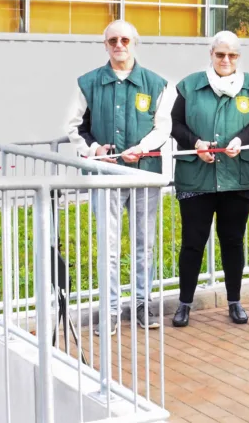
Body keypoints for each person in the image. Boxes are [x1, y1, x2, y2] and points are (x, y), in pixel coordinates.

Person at [65, 19, 173, 335]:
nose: (119, 45)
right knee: (108, 245)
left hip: (144, 174)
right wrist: (95, 149)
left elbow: (162, 127)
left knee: (144, 243)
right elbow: (74, 127)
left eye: (125, 39)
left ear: (134, 42)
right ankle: (110, 310)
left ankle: (141, 304)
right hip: (105, 175)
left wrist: (142, 148)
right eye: (113, 40)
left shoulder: (156, 84)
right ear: (105, 45)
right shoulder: (88, 82)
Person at [169, 31, 249, 327]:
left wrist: (242, 138)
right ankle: (184, 303)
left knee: (233, 241)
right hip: (196, 177)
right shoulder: (190, 86)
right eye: (220, 54)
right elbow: (174, 123)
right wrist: (195, 142)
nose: (226, 60)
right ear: (211, 55)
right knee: (192, 242)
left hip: (238, 177)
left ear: (239, 57)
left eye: (232, 55)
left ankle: (234, 302)